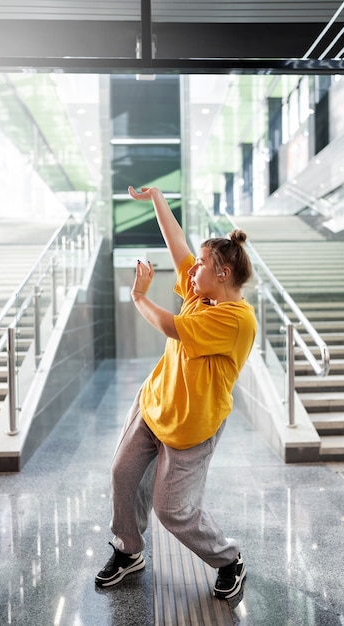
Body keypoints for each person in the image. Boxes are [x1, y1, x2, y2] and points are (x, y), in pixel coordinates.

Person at [95, 185, 257, 600]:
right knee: (123, 474)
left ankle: (228, 559)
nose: (191, 269)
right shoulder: (199, 292)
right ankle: (128, 550)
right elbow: (178, 241)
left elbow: (170, 327)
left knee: (173, 511)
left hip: (194, 425)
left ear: (222, 273)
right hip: (155, 404)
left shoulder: (237, 320)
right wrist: (156, 199)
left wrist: (137, 295)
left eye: (201, 264)